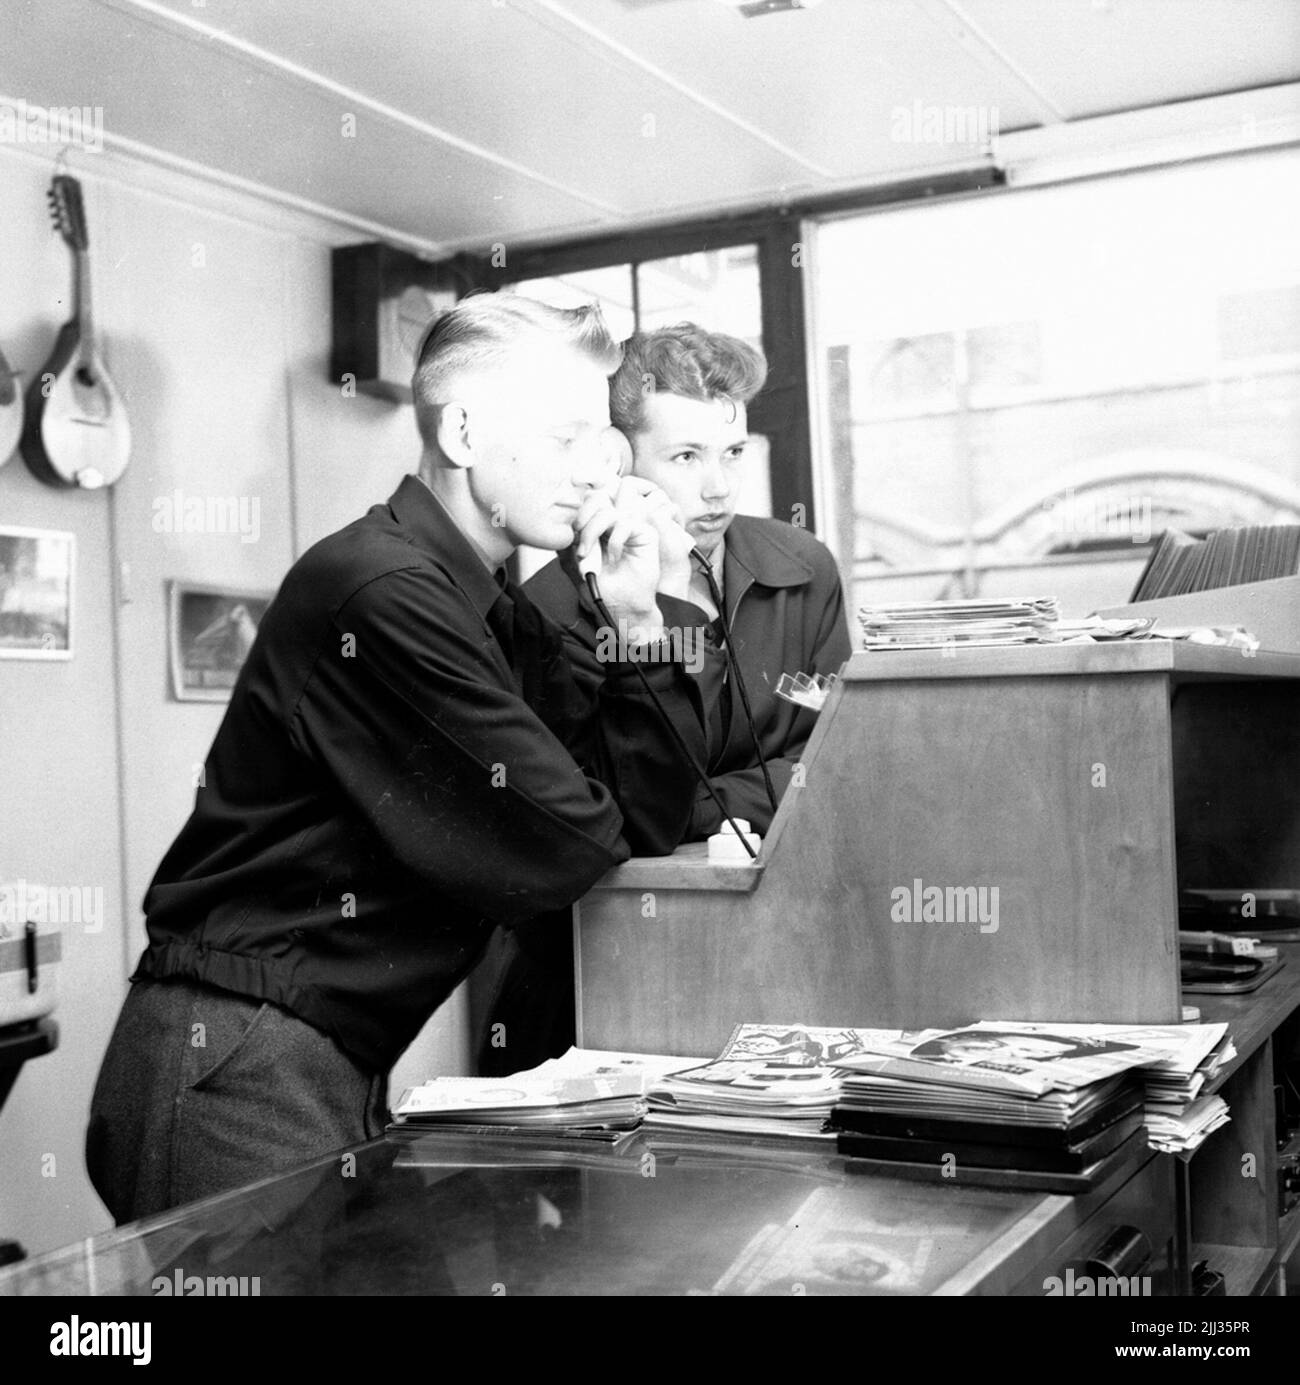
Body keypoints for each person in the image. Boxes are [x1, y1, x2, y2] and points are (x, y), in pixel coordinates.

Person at [85, 293, 707, 1223]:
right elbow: (572, 845)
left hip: (315, 1056)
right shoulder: (380, 589)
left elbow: (647, 818)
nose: (594, 472)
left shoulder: (495, 615)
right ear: (462, 430)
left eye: (602, 444)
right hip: (238, 1053)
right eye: (567, 436)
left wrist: (637, 621)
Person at [477, 322, 852, 1075]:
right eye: (686, 457)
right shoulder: (548, 610)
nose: (718, 487)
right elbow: (616, 822)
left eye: (732, 454)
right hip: (596, 981)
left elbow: (843, 765)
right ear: (621, 464)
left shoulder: (802, 569)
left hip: (779, 956)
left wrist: (703, 801)